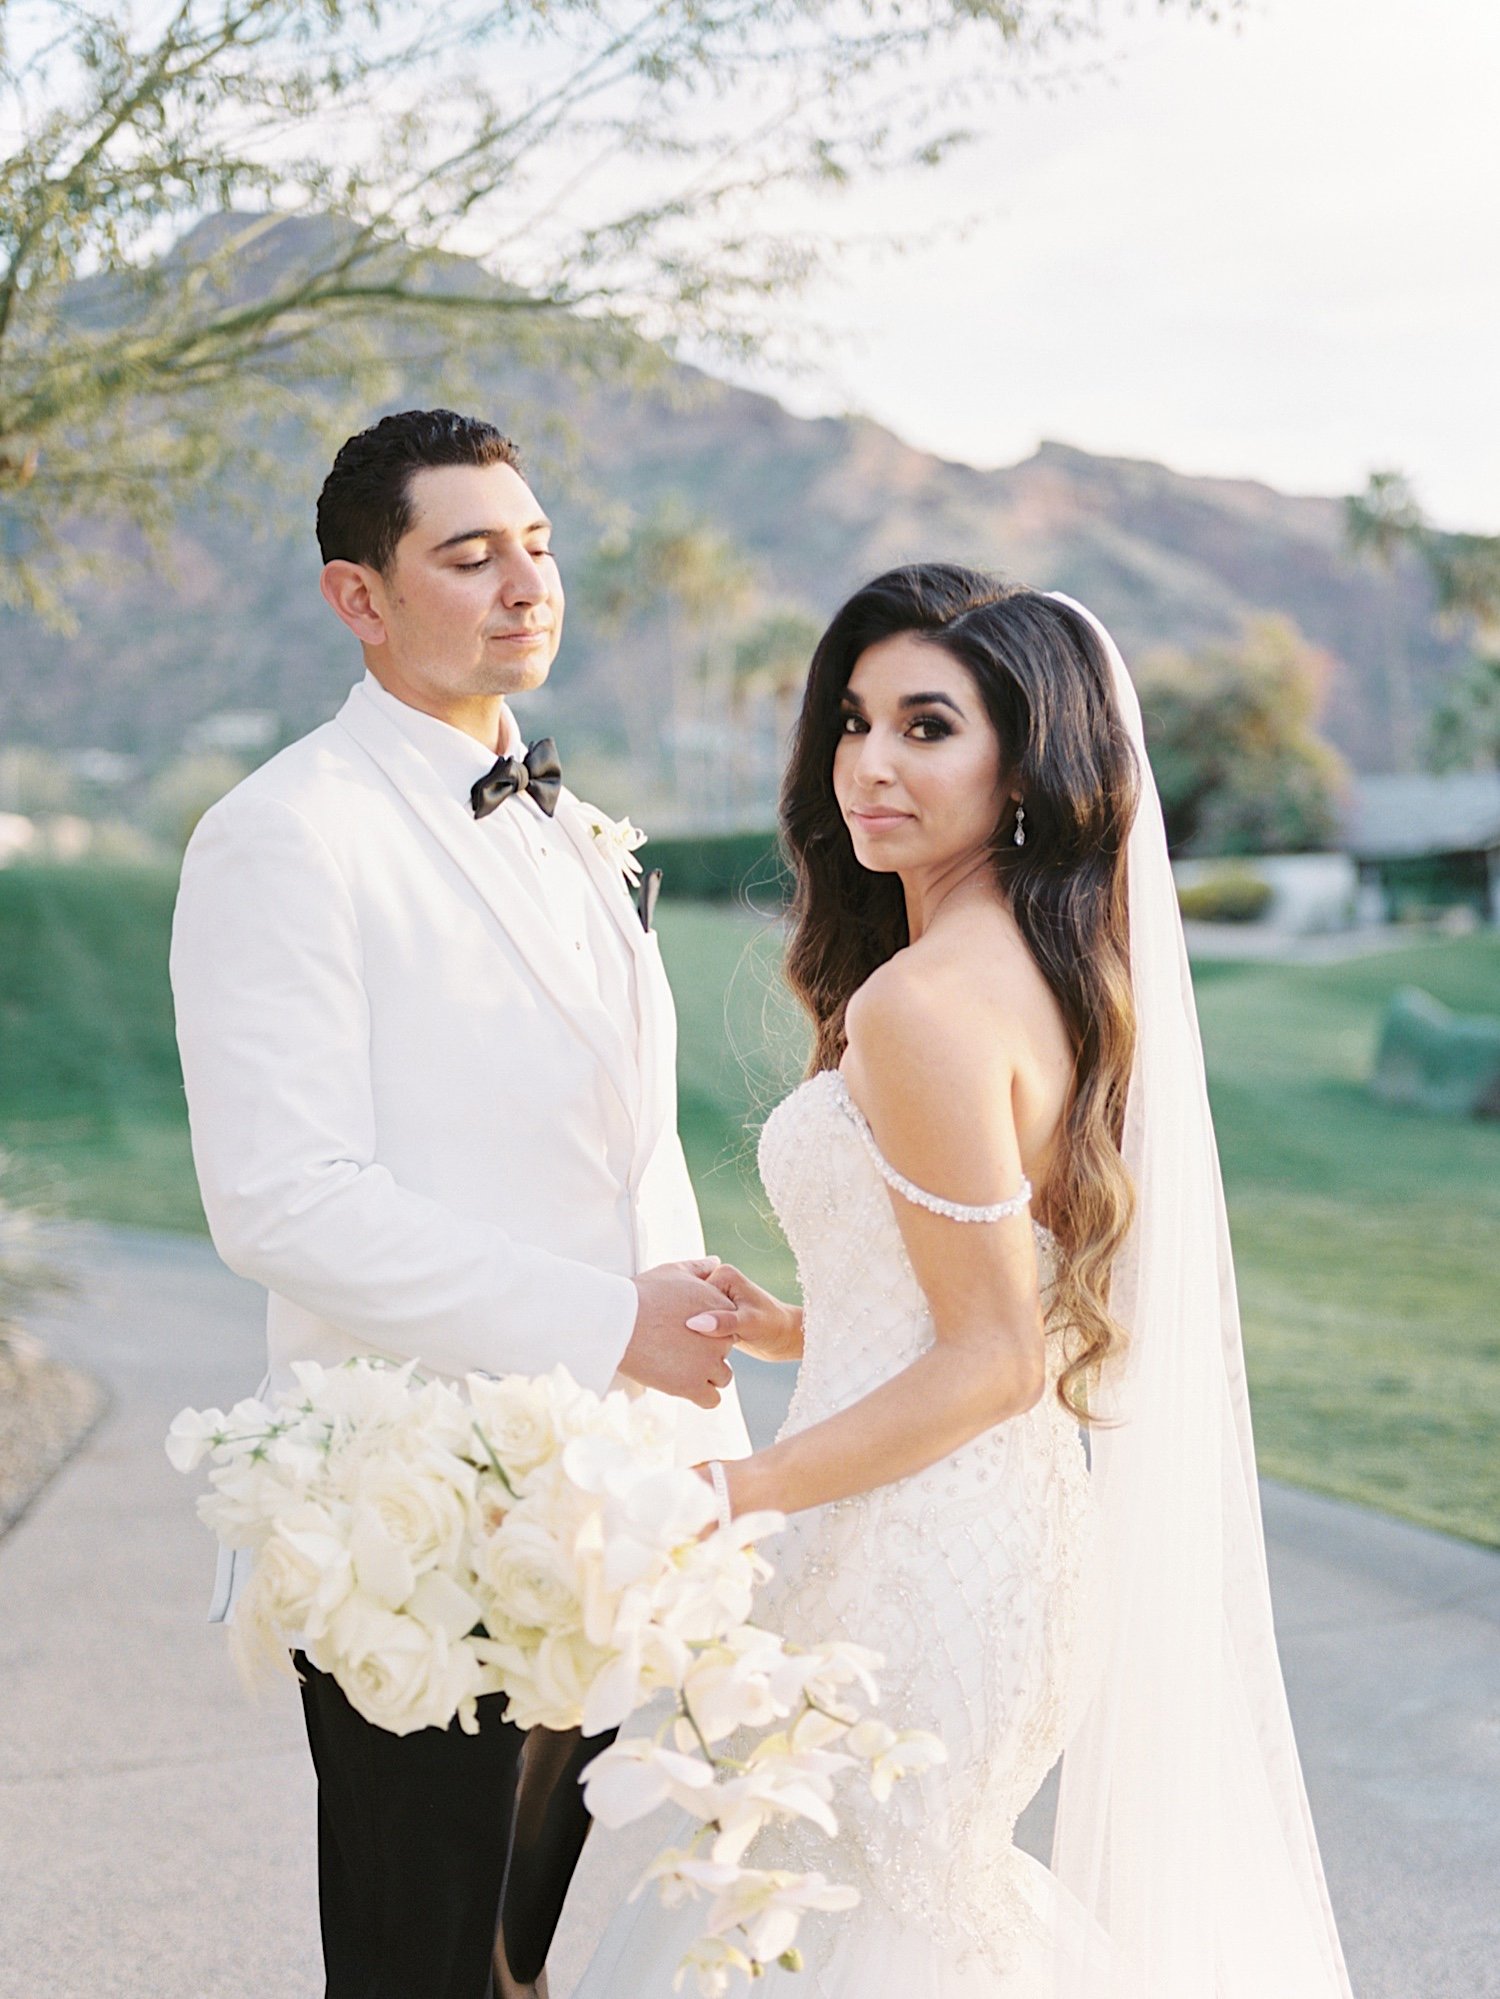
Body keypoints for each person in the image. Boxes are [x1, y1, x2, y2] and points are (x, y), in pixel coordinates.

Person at [576, 567, 1355, 1997]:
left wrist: (736, 1492)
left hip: (916, 1558)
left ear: (1023, 768)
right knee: (879, 1909)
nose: (870, 764)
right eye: (854, 722)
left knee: (862, 1919)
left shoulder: (925, 1003)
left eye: (927, 726)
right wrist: (803, 1325)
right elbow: (1002, 1290)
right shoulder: (1034, 970)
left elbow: (994, 1354)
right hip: (975, 1528)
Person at [168, 408, 751, 1999]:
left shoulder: (574, 829)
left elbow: (623, 1157)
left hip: (600, 1507)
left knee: (524, 1962)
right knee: (424, 1970)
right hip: (408, 1529)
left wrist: (689, 1436)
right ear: (361, 597)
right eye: (470, 553)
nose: (524, 585)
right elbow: (283, 1202)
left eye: (540, 545)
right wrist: (603, 1325)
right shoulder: (285, 834)